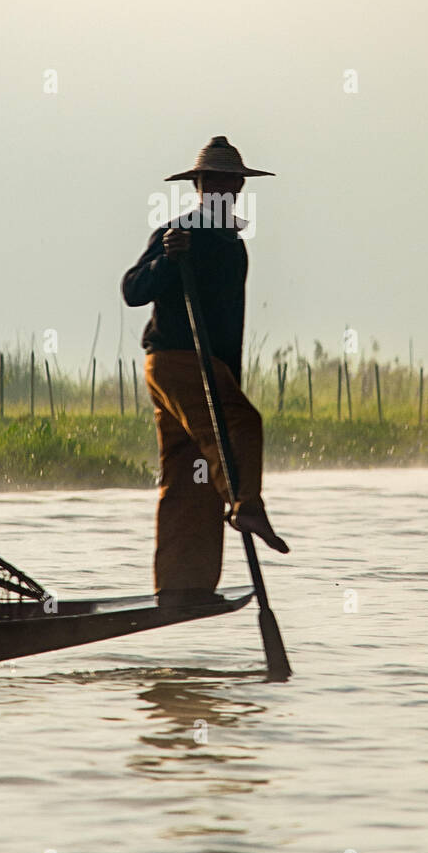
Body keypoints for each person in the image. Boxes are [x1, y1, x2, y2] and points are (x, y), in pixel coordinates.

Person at [121, 136, 289, 602]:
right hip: (175, 360)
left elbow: (228, 321)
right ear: (198, 185)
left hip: (206, 365)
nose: (218, 188)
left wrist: (228, 377)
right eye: (209, 181)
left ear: (237, 186)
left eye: (226, 181)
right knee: (239, 423)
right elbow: (134, 289)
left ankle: (183, 585)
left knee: (191, 471)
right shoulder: (179, 233)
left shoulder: (230, 242)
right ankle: (246, 506)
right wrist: (167, 260)